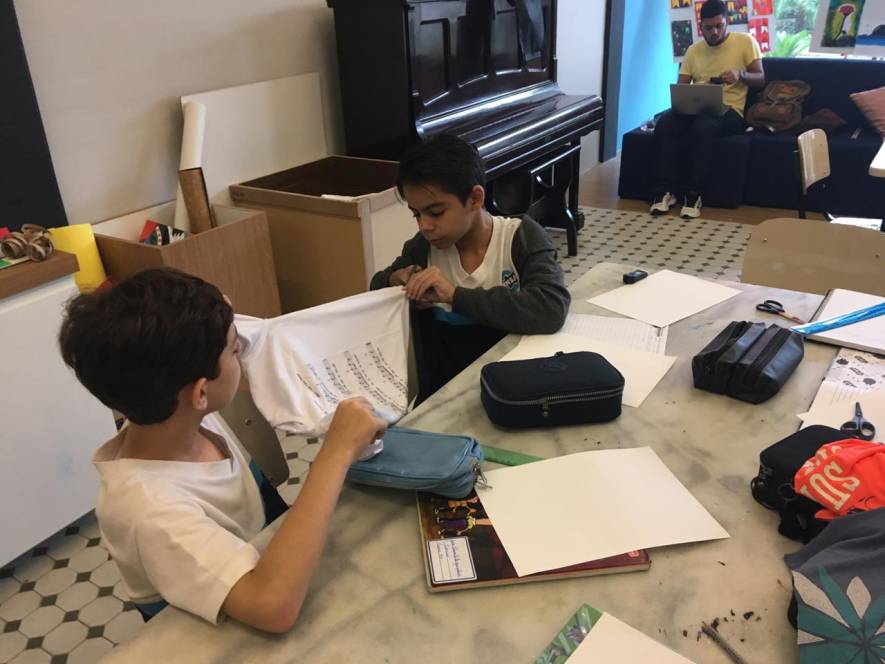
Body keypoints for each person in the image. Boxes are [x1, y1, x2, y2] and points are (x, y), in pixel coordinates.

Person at [58, 267, 386, 633]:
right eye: (234, 348)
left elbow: (250, 357)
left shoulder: (176, 412)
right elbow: (272, 606)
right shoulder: (149, 511)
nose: (243, 348)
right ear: (201, 392)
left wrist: (217, 317)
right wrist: (335, 452)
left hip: (270, 555)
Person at [370, 134, 570, 403]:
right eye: (416, 214)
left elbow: (551, 308)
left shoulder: (520, 238)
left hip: (515, 393)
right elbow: (377, 287)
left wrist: (454, 296)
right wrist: (395, 281)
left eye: (436, 212)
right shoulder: (422, 249)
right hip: (444, 400)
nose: (424, 226)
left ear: (475, 198)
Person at [650, 0, 765, 219]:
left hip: (731, 110)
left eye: (719, 26)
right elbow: (682, 86)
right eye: (709, 28)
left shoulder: (745, 42)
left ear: (727, 22)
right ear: (700, 25)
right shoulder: (693, 50)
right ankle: (664, 191)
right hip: (696, 108)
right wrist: (689, 96)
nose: (714, 32)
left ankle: (694, 194)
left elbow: (761, 78)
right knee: (664, 124)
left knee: (703, 127)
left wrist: (740, 75)